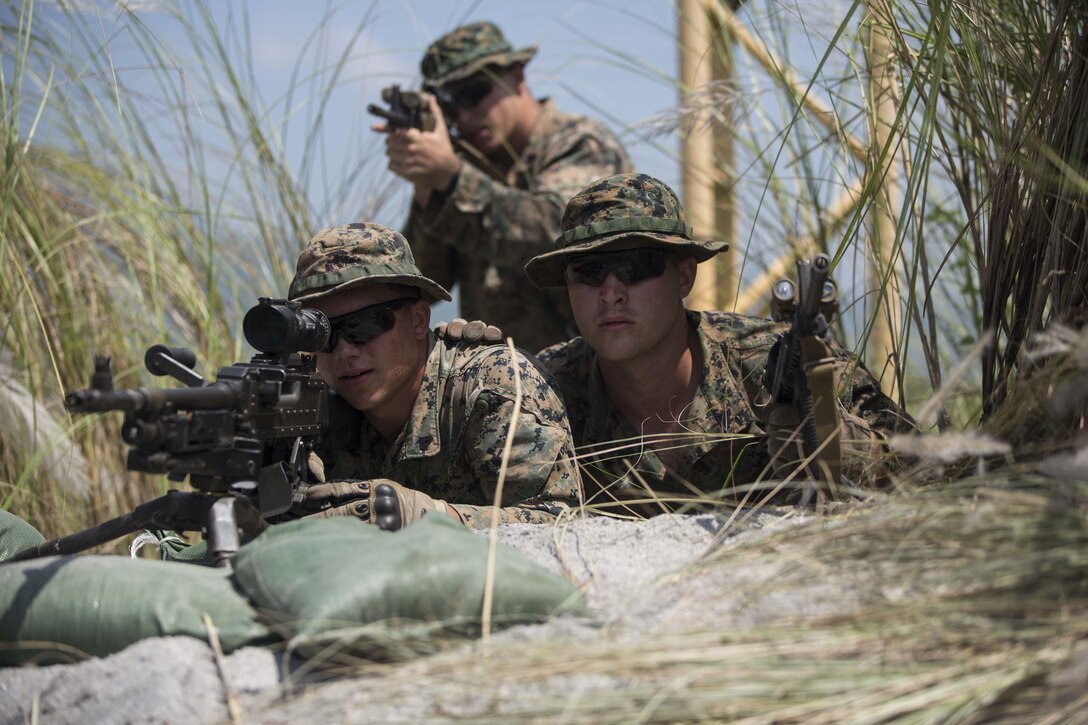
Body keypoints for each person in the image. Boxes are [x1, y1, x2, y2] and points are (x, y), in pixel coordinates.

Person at [523, 173, 913, 514]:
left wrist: (830, 439)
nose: (611, 293)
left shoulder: (776, 364)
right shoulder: (543, 391)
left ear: (684, 278)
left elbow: (924, 473)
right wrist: (468, 379)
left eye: (635, 266)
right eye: (588, 271)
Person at [288, 222, 582, 529]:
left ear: (418, 319)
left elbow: (559, 521)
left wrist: (430, 517)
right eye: (322, 335)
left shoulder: (491, 387)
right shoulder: (317, 415)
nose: (344, 351)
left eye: (363, 325)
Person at [376, 20, 632, 353]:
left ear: (516, 76)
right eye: (451, 106)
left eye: (475, 93)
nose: (466, 118)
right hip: (502, 385)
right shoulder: (470, 166)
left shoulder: (579, 143)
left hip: (588, 374)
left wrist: (451, 178)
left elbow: (558, 234)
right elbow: (425, 280)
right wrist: (428, 189)